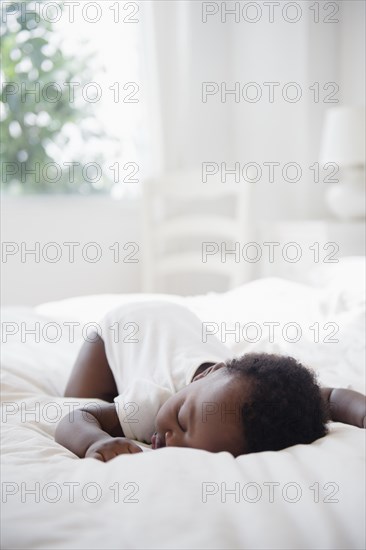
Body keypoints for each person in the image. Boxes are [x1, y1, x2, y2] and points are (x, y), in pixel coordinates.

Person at [55, 301, 366, 462]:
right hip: (119, 328)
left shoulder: (258, 394)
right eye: (180, 420)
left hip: (177, 322)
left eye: (191, 449)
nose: (171, 438)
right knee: (77, 396)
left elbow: (326, 399)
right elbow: (76, 418)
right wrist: (94, 441)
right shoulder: (158, 397)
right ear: (207, 374)